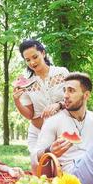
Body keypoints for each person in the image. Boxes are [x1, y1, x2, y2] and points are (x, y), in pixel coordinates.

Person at [12, 39, 69, 170]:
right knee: (39, 172)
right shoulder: (28, 83)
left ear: (43, 53)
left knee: (61, 170)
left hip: (61, 131)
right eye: (27, 60)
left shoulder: (62, 72)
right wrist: (16, 101)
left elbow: (73, 97)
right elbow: (30, 114)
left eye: (35, 57)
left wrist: (59, 105)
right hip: (37, 132)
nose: (32, 62)